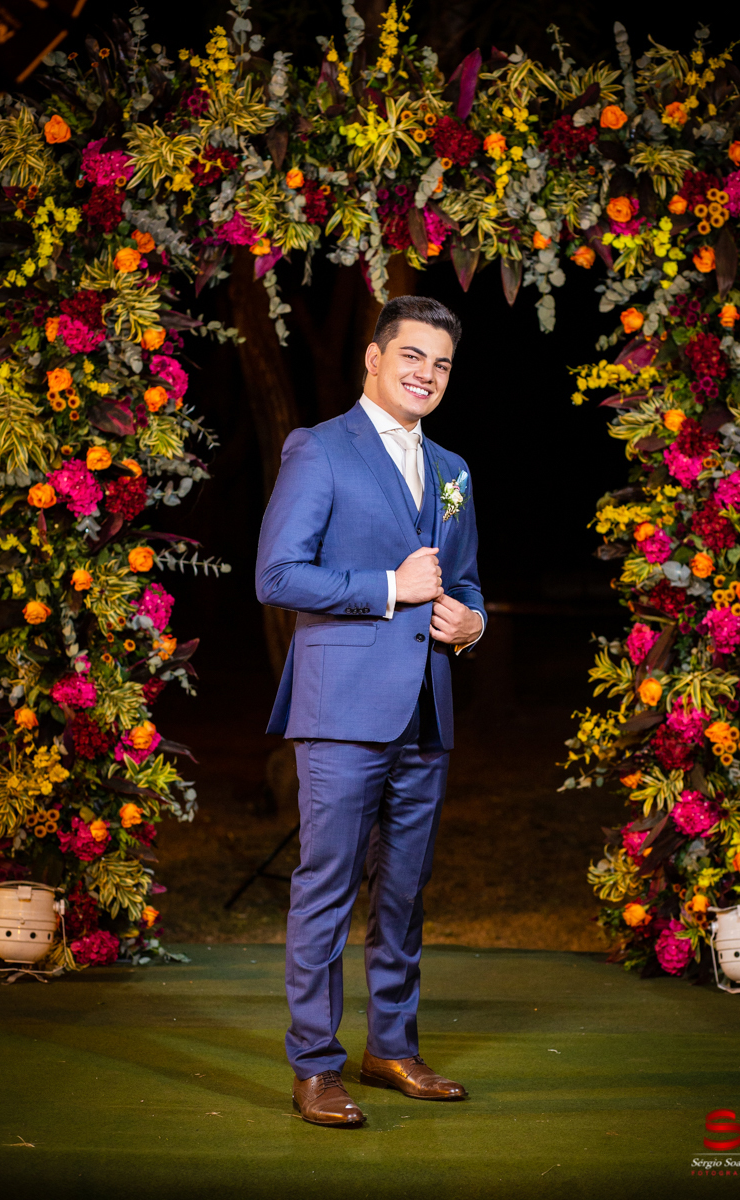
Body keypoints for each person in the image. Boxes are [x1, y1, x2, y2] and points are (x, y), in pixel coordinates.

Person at [256, 295, 486, 1127]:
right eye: (413, 356)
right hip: (342, 712)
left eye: (442, 363)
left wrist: (472, 623)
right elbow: (278, 574)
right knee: (327, 889)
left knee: (403, 892)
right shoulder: (320, 449)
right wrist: (390, 587)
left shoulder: (453, 469)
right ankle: (315, 1065)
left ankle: (391, 1047)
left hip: (425, 712)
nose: (427, 373)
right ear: (375, 358)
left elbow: (464, 583)